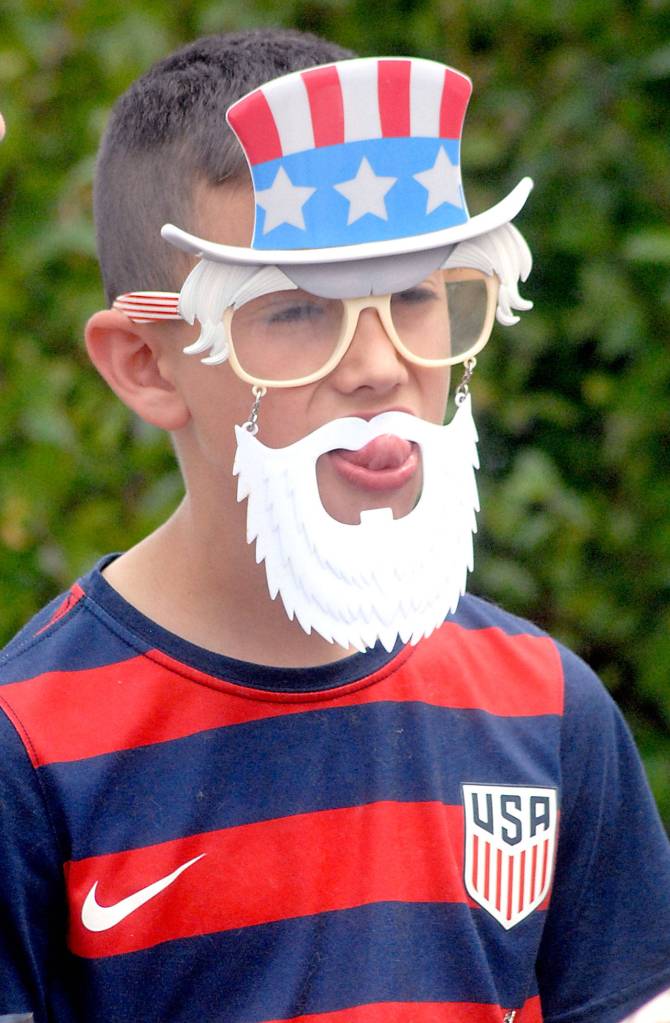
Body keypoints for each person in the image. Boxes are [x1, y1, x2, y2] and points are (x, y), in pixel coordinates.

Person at [1, 27, 669, 1023]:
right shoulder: (30, 746)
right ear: (146, 364)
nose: (378, 365)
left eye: (412, 294)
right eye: (296, 312)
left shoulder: (545, 710)